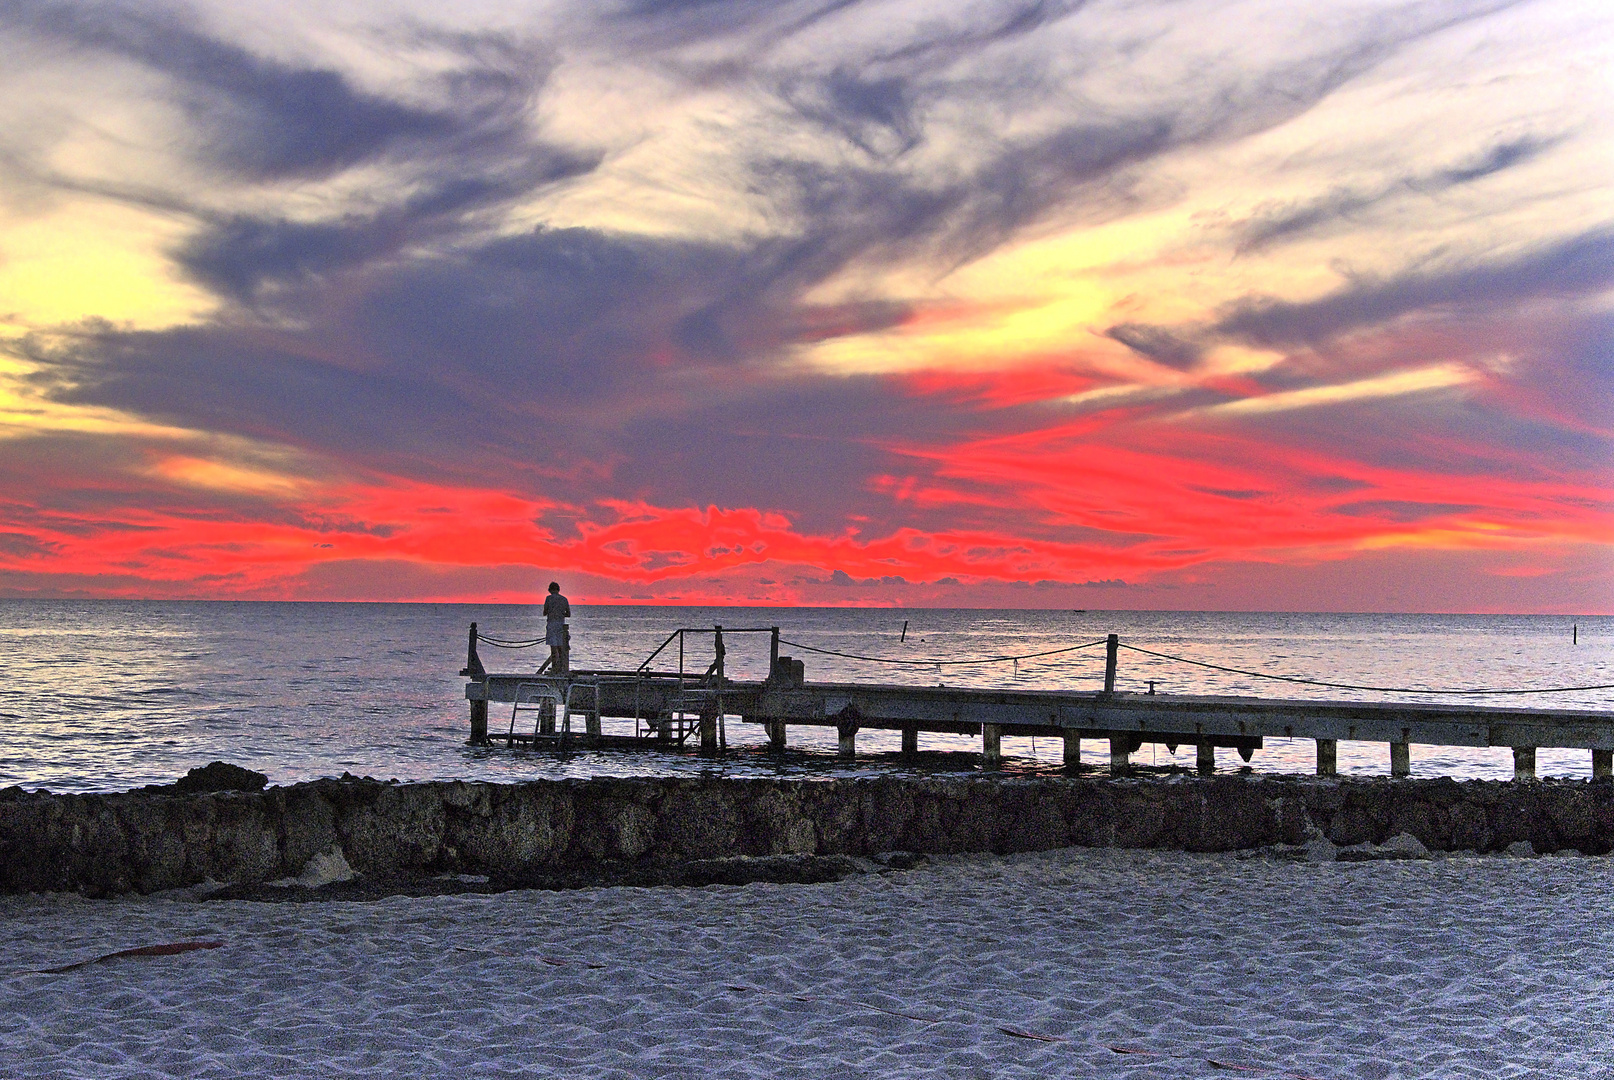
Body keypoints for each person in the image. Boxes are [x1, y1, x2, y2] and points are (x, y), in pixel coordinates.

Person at [543, 581, 571, 674]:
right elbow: (568, 614)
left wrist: (552, 612)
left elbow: (544, 612)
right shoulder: (564, 599)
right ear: (558, 589)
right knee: (560, 646)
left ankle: (555, 667)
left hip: (551, 623)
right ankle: (561, 667)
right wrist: (560, 613)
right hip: (561, 624)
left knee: (553, 647)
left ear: (550, 590)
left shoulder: (548, 598)